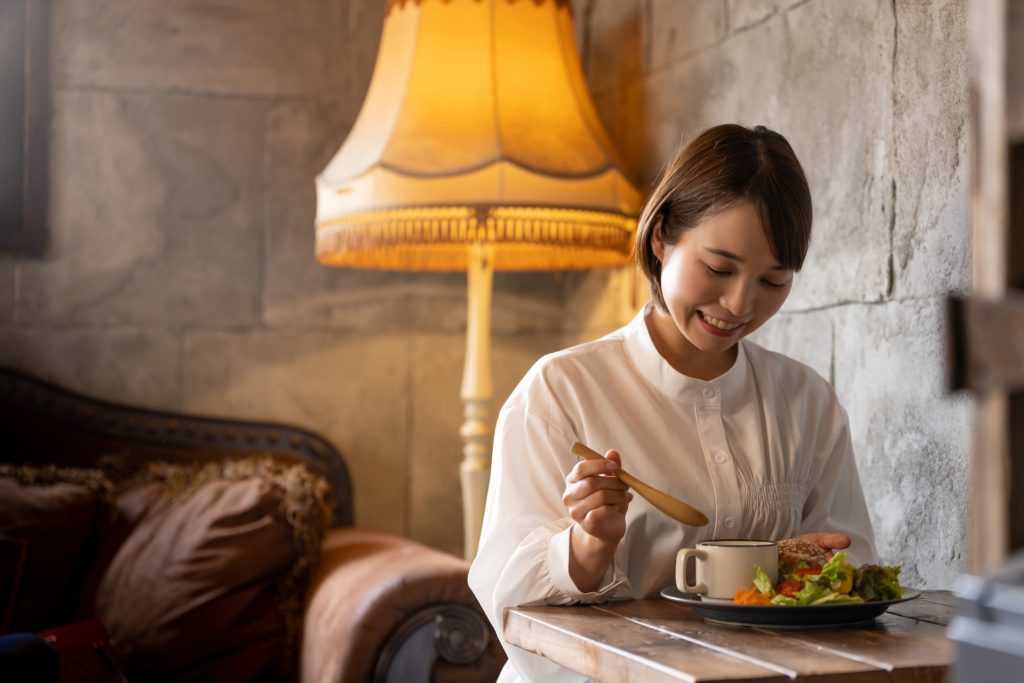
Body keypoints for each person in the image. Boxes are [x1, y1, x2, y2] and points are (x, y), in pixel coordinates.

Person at [468, 123, 878, 682]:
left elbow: (853, 562)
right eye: (719, 268)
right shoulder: (560, 392)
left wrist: (801, 571)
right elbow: (509, 605)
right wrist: (587, 546)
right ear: (662, 237)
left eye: (772, 282)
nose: (739, 303)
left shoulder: (808, 402)